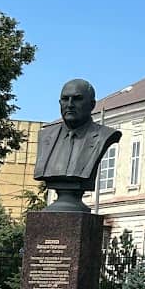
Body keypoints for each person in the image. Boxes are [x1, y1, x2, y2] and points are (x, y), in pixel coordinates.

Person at [34, 79, 120, 210]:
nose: (70, 105)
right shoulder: (45, 136)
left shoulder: (105, 135)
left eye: (77, 99)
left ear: (92, 105)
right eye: (65, 99)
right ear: (59, 103)